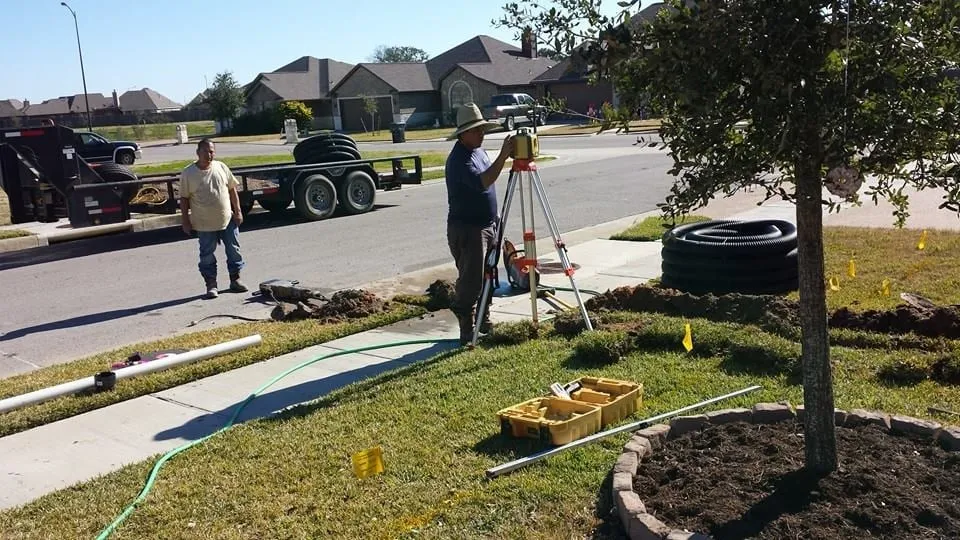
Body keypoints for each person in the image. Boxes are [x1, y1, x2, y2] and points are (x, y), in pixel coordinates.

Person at [444, 103, 515, 345]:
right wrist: (504, 155)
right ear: (463, 134)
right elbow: (484, 181)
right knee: (472, 280)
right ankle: (466, 324)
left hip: (487, 225)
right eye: (476, 131)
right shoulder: (458, 160)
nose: (481, 134)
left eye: (483, 129)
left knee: (489, 274)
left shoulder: (479, 152)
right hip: (468, 230)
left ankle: (483, 318)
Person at [179, 138, 248, 299]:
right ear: (198, 153)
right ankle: (211, 284)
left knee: (234, 251)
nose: (209, 155)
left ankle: (235, 280)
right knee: (207, 255)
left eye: (211, 151)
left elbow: (232, 189)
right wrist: (185, 220)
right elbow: (183, 199)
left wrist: (238, 211)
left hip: (227, 220)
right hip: (204, 223)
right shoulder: (188, 173)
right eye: (205, 151)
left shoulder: (221, 167)